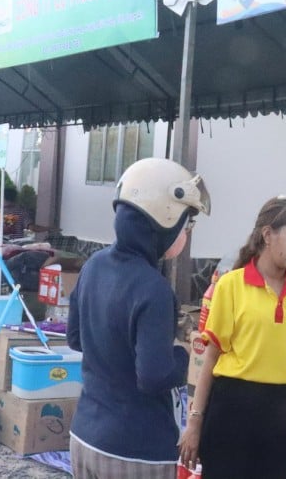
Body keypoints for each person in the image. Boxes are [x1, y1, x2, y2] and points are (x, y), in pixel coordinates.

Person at [178, 196, 286, 479]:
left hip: (279, 415)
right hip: (229, 411)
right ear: (268, 234)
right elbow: (210, 359)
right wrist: (194, 423)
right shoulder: (231, 285)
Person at [67, 157, 210, 479]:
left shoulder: (94, 264)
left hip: (85, 434)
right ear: (164, 220)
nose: (187, 233)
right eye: (187, 224)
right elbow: (154, 376)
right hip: (135, 450)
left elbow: (75, 338)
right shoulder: (153, 289)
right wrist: (182, 355)